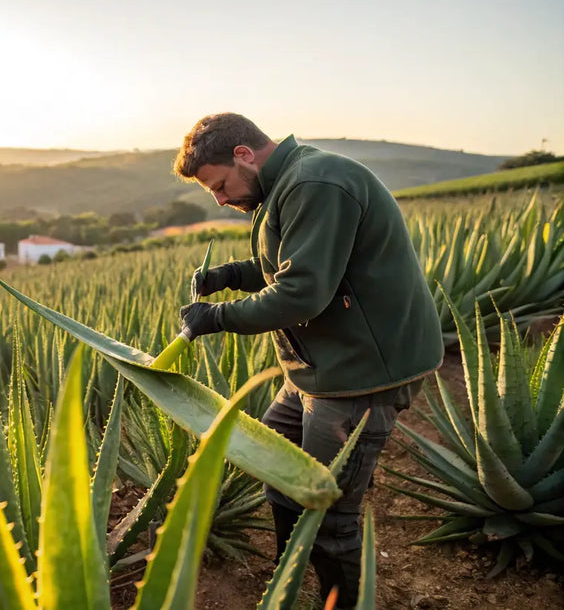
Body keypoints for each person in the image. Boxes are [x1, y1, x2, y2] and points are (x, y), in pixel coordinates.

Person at [172, 113, 443, 607]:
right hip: (317, 369)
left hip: (360, 373)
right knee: (280, 471)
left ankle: (336, 600)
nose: (221, 199)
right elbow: (290, 262)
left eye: (219, 186)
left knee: (328, 511)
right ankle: (290, 579)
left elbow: (301, 293)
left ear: (243, 155)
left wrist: (215, 318)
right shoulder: (285, 184)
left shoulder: (317, 182)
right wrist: (230, 274)